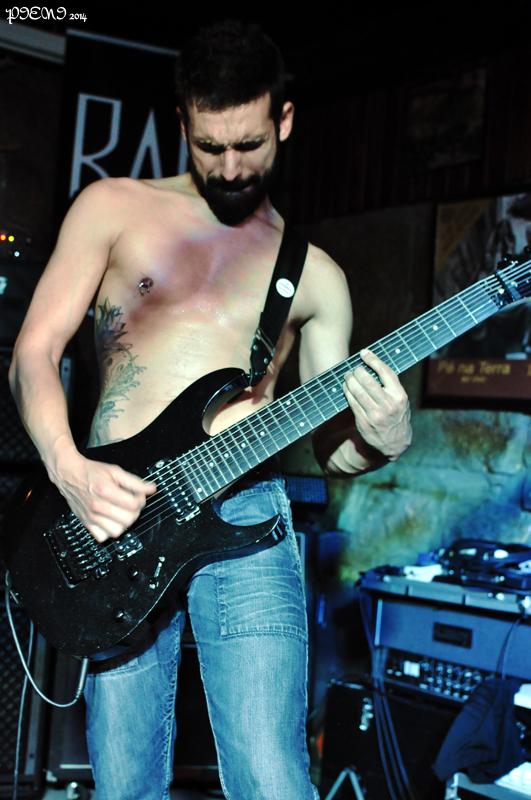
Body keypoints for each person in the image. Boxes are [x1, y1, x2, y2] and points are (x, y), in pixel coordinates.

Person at [8, 19, 412, 800]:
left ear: (283, 121)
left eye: (248, 145)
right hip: (116, 515)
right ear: (182, 124)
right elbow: (33, 354)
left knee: (271, 776)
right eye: (209, 146)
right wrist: (68, 469)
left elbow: (334, 448)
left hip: (245, 513)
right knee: (125, 781)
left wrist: (382, 440)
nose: (229, 168)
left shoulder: (315, 277)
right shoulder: (112, 208)